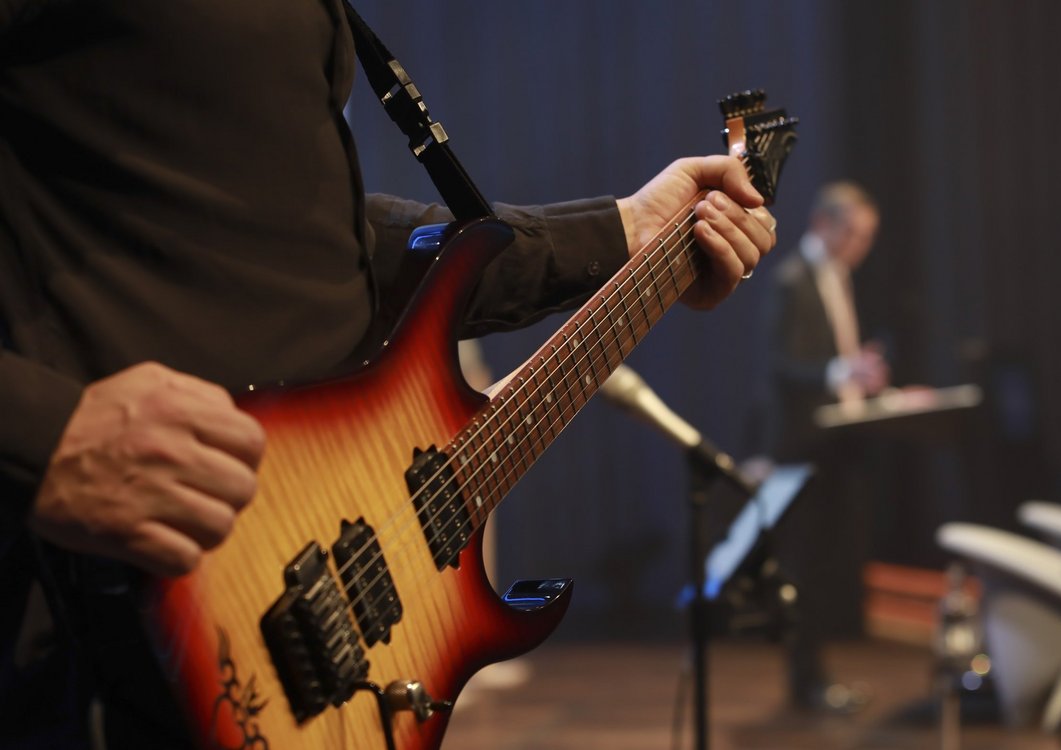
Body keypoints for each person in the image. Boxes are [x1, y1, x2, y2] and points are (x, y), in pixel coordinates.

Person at [0, 3, 776, 747]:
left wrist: (623, 230)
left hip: (303, 616)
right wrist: (45, 434)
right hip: (102, 635)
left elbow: (319, 247)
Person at [763, 180, 884, 711]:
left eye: (867, 237)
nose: (861, 246)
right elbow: (780, 366)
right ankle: (804, 681)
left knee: (827, 565)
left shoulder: (838, 276)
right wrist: (842, 371)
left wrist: (865, 378)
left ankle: (816, 679)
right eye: (854, 234)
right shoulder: (793, 279)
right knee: (804, 565)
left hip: (834, 444)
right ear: (823, 224)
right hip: (800, 447)